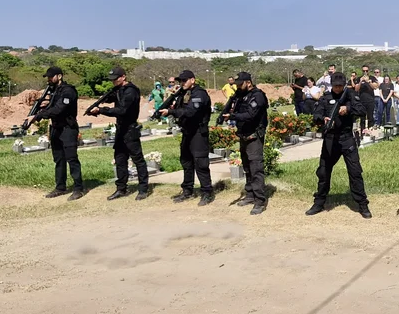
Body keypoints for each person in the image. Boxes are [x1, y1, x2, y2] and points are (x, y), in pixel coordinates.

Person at [306, 72, 371, 218]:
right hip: (330, 139)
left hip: (347, 138)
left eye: (340, 86)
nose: (337, 88)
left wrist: (347, 109)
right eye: (335, 86)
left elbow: (362, 110)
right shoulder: (326, 97)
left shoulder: (351, 95)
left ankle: (362, 204)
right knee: (323, 172)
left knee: (355, 172)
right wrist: (323, 118)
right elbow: (315, 115)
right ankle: (319, 202)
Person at [87, 66, 149, 200]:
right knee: (120, 159)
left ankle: (143, 189)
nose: (113, 82)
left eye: (116, 79)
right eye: (112, 80)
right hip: (121, 129)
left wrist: (101, 110)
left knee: (138, 159)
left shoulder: (131, 91)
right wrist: (102, 101)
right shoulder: (119, 90)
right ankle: (121, 188)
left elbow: (122, 110)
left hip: (130, 129)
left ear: (123, 77)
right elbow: (112, 97)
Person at [161, 70, 214, 206]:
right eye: (180, 81)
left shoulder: (199, 93)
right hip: (187, 132)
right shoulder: (183, 93)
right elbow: (181, 109)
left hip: (198, 133)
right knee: (186, 162)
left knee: (200, 163)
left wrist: (171, 111)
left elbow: (191, 111)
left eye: (184, 80)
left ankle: (207, 192)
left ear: (193, 80)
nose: (182, 83)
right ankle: (187, 190)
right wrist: (172, 107)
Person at [31, 66, 84, 201]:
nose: (48, 79)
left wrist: (39, 116)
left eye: (51, 76)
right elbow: (50, 107)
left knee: (71, 159)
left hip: (68, 128)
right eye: (47, 77)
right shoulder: (53, 91)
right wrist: (38, 111)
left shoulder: (68, 91)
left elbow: (59, 109)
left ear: (59, 76)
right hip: (56, 128)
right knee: (59, 159)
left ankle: (78, 188)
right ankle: (60, 187)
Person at [220, 71, 269, 215]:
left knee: (256, 169)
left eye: (240, 84)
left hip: (254, 137)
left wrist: (233, 116)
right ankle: (250, 195)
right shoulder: (240, 96)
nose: (238, 87)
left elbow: (251, 115)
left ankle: (260, 201)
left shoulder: (258, 96)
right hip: (244, 135)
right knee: (247, 168)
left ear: (248, 82)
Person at [357, 67, 377, 131]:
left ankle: (370, 129)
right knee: (362, 117)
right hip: (362, 100)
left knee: (370, 116)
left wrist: (369, 82)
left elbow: (375, 87)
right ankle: (362, 131)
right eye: (363, 70)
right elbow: (356, 89)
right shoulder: (359, 78)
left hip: (370, 100)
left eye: (366, 70)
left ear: (368, 71)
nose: (365, 72)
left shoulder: (372, 78)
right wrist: (360, 82)